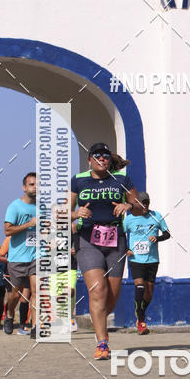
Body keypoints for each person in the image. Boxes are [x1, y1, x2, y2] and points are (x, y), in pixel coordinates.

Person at [70, 142, 142, 360]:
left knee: (110, 297)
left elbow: (141, 207)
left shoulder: (122, 180)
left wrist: (129, 206)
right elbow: (62, 210)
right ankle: (102, 342)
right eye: (97, 155)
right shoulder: (79, 180)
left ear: (110, 159)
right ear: (89, 159)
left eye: (105, 155)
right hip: (87, 240)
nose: (101, 158)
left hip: (115, 240)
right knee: (97, 290)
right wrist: (76, 213)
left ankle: (99, 319)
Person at [123, 191, 170, 334]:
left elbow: (167, 234)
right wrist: (125, 249)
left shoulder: (156, 216)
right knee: (140, 287)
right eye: (141, 203)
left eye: (146, 203)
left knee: (149, 293)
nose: (144, 206)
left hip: (152, 259)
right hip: (136, 259)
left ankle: (140, 313)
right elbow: (119, 235)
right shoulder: (129, 219)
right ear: (136, 204)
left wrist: (158, 238)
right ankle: (141, 320)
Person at [3, 172, 37, 337]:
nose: (35, 187)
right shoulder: (15, 206)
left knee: (36, 291)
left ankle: (36, 327)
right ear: (24, 187)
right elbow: (7, 230)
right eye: (32, 184)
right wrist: (29, 224)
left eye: (38, 184)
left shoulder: (43, 206)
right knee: (15, 295)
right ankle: (9, 316)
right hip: (17, 257)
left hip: (37, 256)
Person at [0, 236, 30, 333]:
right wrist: (12, 260)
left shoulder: (33, 235)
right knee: (14, 296)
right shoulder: (10, 238)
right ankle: (9, 316)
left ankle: (22, 326)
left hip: (29, 270)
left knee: (25, 297)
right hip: (13, 271)